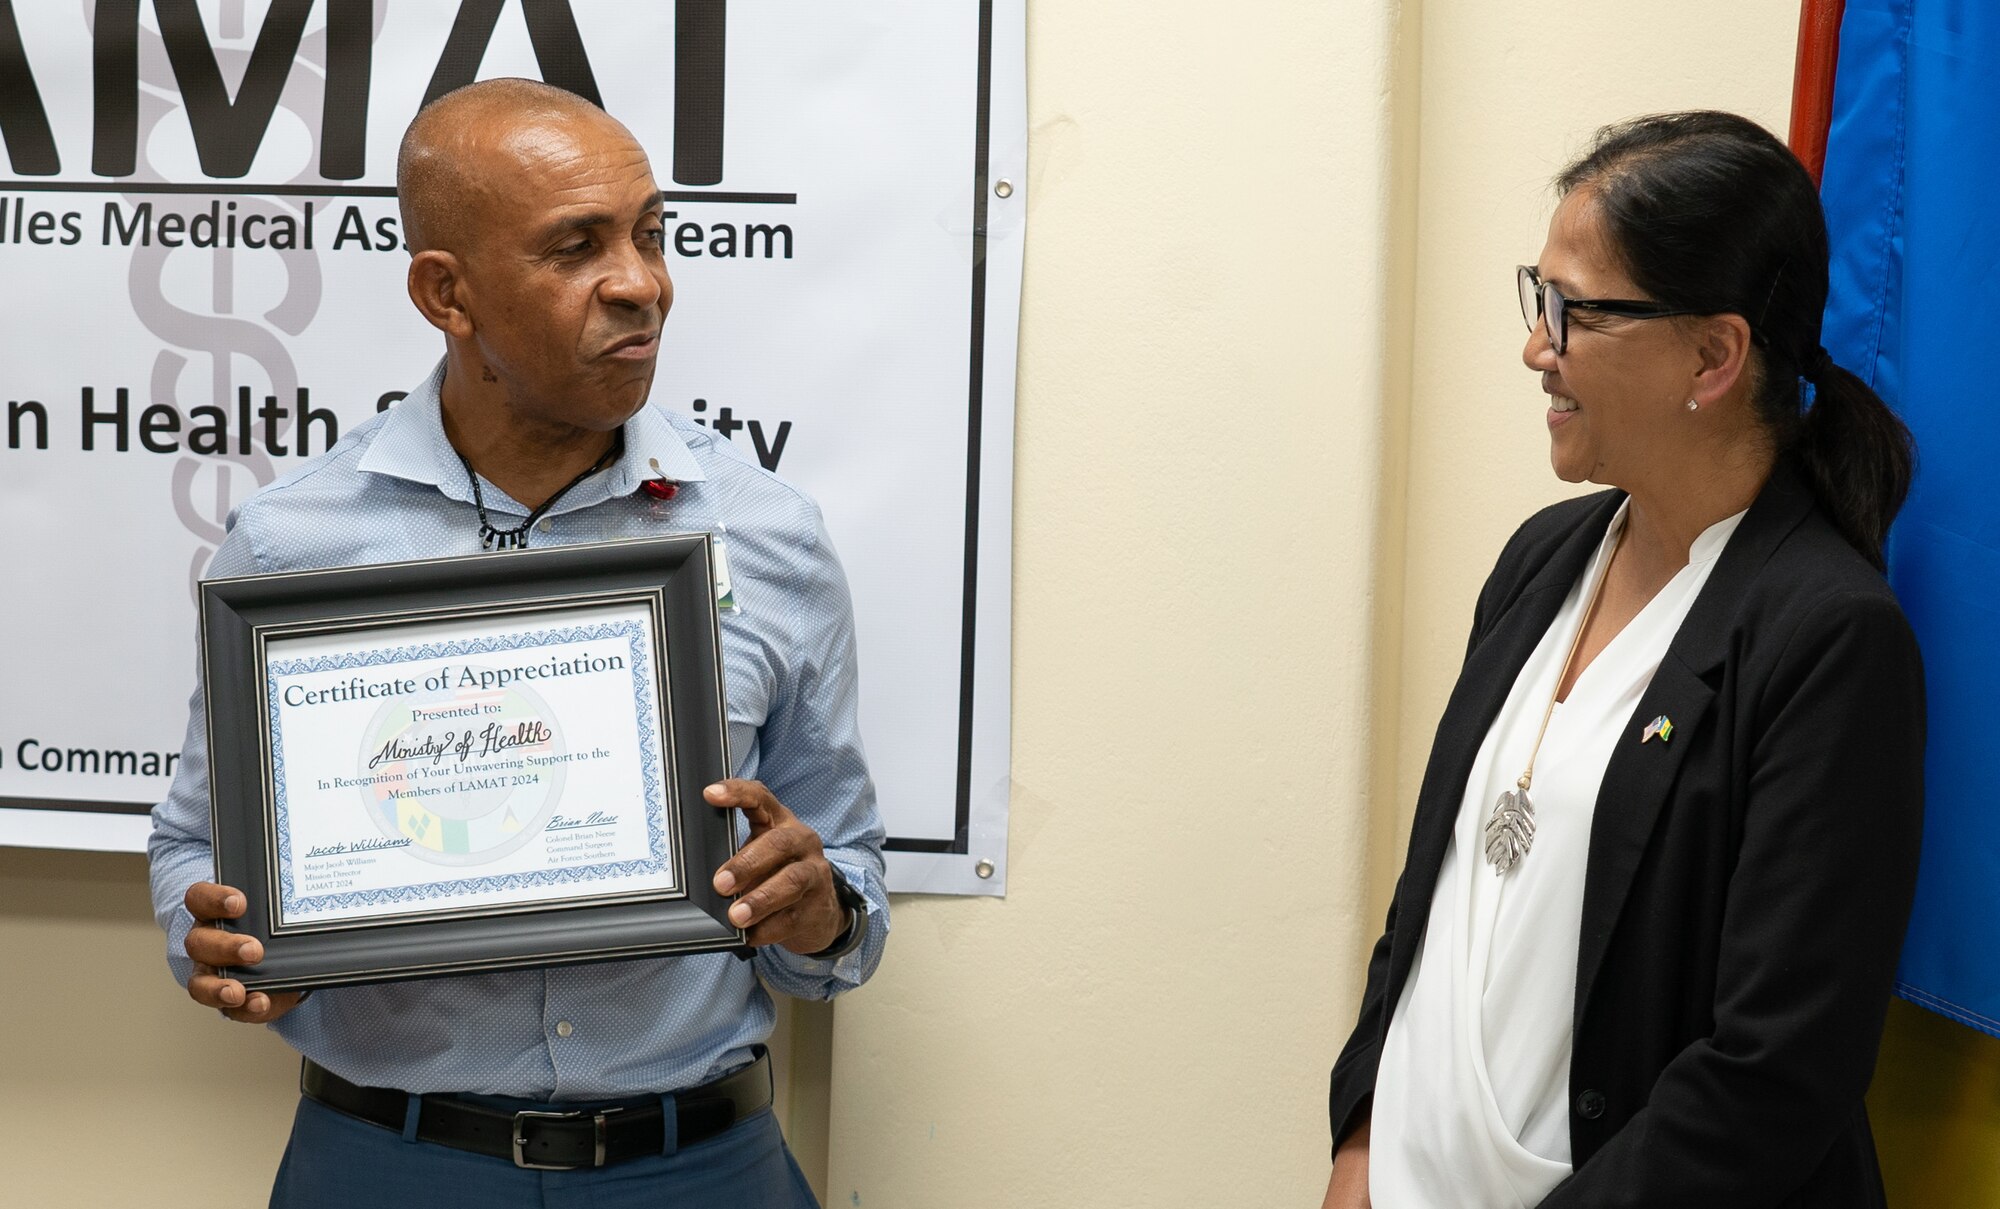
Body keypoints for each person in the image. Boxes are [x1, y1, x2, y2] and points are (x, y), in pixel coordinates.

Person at [147, 79, 887, 1207]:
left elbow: (846, 878)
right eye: (575, 248)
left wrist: (820, 907)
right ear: (447, 293)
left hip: (701, 1166)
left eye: (648, 234)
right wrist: (227, 944)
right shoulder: (292, 540)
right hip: (390, 1166)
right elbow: (197, 840)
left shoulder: (768, 533)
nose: (640, 285)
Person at [1321, 111, 1924, 1209]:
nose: (1534, 346)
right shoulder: (1541, 558)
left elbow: (1776, 1071)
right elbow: (1430, 900)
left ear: (1711, 355)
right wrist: (1361, 1141)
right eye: (1535, 297)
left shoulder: (1826, 640)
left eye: (1573, 312)